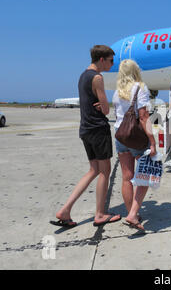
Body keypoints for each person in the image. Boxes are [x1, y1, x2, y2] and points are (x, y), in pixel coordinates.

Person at [51, 45, 121, 228]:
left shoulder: (83, 76)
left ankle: (65, 210)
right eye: (111, 60)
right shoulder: (97, 77)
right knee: (105, 171)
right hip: (98, 129)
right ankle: (100, 214)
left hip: (86, 129)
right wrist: (103, 106)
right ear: (101, 60)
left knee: (93, 170)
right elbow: (106, 110)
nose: (112, 64)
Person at [112, 59, 157, 231]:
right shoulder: (140, 87)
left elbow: (118, 115)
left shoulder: (118, 92)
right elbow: (144, 116)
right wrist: (152, 142)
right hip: (136, 137)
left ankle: (132, 213)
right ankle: (132, 214)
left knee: (127, 177)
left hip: (120, 136)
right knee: (145, 175)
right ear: (135, 71)